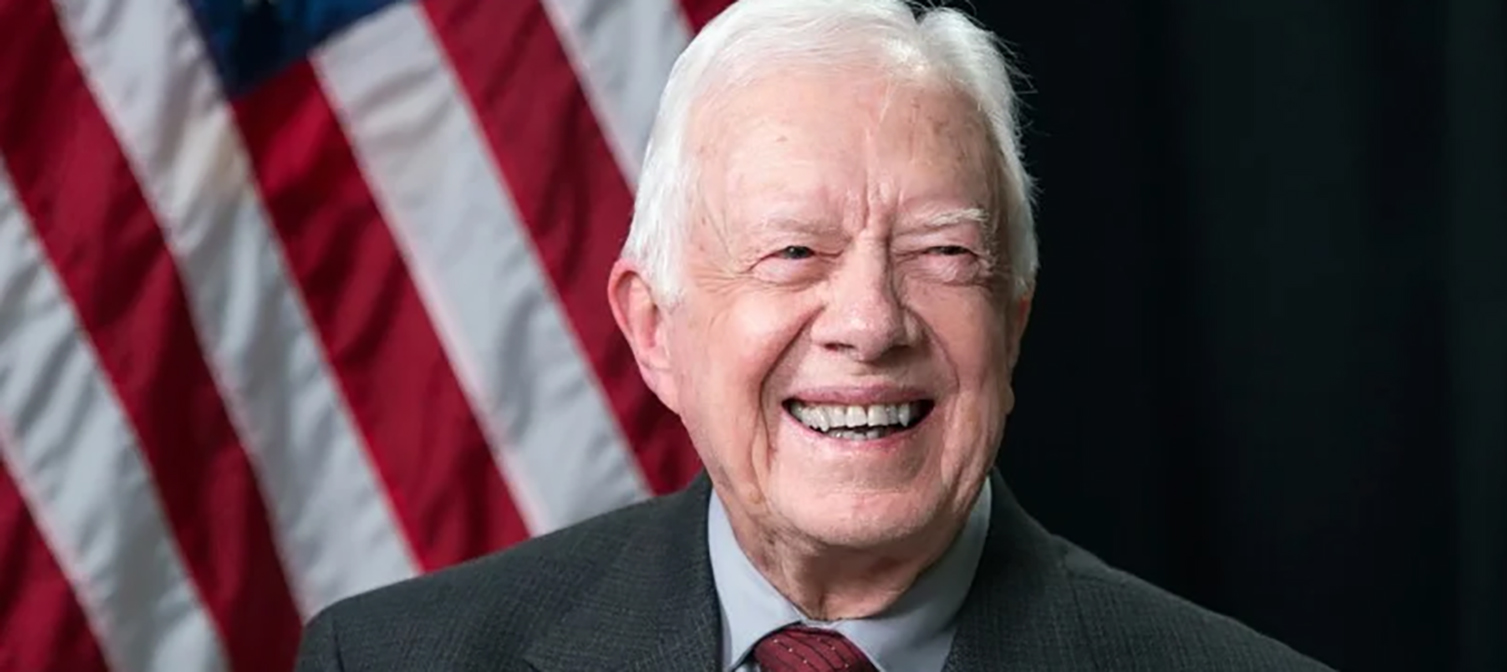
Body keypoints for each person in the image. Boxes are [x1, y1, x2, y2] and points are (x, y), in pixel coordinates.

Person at [293, 0, 1333, 669]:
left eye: (941, 253)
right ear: (655, 331)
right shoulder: (390, 659)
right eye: (793, 252)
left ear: (1012, 322)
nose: (871, 323)